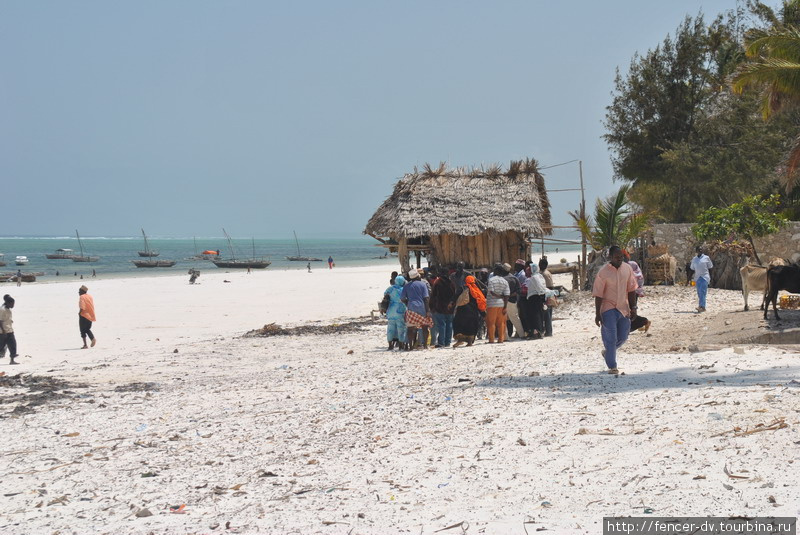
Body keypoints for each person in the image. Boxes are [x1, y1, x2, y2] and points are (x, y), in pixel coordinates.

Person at [592, 246, 638, 375]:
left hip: (623, 308)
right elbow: (598, 294)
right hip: (608, 308)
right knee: (611, 338)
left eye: (621, 257)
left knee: (623, 336)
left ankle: (608, 352)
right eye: (617, 257)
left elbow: (632, 289)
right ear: (610, 257)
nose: (619, 259)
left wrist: (633, 308)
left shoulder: (627, 269)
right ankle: (612, 366)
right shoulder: (603, 273)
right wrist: (597, 314)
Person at [401, 269, 432, 350]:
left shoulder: (406, 286)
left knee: (410, 328)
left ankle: (411, 347)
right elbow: (426, 298)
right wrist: (428, 310)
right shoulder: (423, 284)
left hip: (411, 307)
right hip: (422, 307)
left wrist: (407, 303)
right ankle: (425, 345)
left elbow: (402, 298)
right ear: (417, 276)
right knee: (425, 327)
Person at [453, 275, 486, 347]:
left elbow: (455, 297)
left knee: (459, 325)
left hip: (462, 311)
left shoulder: (462, 288)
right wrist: (483, 313)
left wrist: (451, 304)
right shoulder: (477, 290)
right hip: (473, 312)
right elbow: (480, 302)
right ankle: (470, 342)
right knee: (471, 326)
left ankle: (460, 340)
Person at [430, 267, 456, 348]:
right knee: (449, 324)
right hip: (450, 307)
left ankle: (441, 342)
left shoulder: (437, 282)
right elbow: (454, 295)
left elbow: (433, 295)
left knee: (441, 325)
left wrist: (431, 307)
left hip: (440, 307)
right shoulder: (451, 282)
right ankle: (447, 342)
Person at [485, 264, 510, 343]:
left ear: (496, 271)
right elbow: (507, 295)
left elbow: (491, 292)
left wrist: (499, 296)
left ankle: (491, 340)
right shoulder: (505, 281)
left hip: (491, 304)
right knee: (501, 323)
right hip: (502, 304)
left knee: (491, 322)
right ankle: (501, 339)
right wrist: (505, 306)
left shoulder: (491, 280)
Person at [384, 275, 408, 350]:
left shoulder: (390, 288)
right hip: (400, 310)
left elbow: (385, 295)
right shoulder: (403, 289)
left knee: (390, 328)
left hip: (390, 310)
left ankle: (390, 345)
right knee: (401, 328)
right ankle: (401, 344)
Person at [523, 265, 547, 339]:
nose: (527, 271)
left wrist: (541, 294)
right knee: (538, 315)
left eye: (529, 270)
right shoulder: (539, 276)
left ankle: (536, 333)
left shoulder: (534, 277)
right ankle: (539, 332)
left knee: (535, 316)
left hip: (534, 298)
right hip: (538, 298)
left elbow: (539, 287)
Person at [502, 263, 524, 338]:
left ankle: (505, 337)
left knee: (503, 319)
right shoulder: (514, 278)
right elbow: (519, 291)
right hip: (513, 301)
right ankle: (522, 334)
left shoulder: (502, 279)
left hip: (503, 301)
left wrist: (506, 296)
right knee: (515, 318)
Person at [690, 246, 713, 312]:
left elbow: (710, 267)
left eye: (701, 249)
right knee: (699, 293)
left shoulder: (706, 258)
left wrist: (710, 277)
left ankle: (702, 306)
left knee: (703, 292)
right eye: (699, 250)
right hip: (697, 278)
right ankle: (702, 306)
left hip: (705, 277)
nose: (700, 250)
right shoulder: (694, 259)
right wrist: (689, 279)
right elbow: (692, 269)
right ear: (696, 251)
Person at [0, 295, 19, 364]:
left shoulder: (8, 309)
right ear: (8, 303)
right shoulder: (2, 310)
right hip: (3, 332)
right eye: (12, 303)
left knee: (13, 344)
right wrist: (3, 331)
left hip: (9, 330)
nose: (13, 305)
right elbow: (0, 321)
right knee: (1, 346)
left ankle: (12, 360)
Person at [539, 258, 555, 337]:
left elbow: (550, 286)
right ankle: (548, 331)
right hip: (548, 294)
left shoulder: (544, 274)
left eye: (540, 264)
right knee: (547, 314)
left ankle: (549, 331)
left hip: (547, 295)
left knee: (547, 314)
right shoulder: (545, 272)